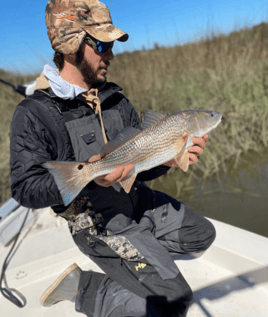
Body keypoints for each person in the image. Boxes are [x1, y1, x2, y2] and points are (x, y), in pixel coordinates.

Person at [9, 0, 216, 316]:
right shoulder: (35, 113)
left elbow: (138, 164)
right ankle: (86, 288)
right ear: (71, 45)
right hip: (95, 221)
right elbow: (25, 188)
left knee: (201, 235)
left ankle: (138, 262)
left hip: (135, 200)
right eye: (102, 44)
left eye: (112, 45)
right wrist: (89, 178)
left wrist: (169, 159)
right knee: (175, 301)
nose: (111, 54)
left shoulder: (115, 99)